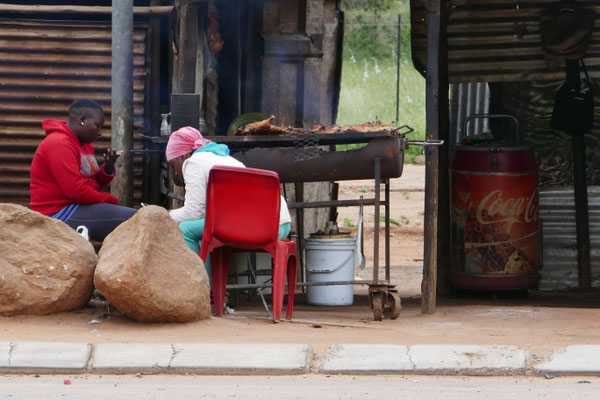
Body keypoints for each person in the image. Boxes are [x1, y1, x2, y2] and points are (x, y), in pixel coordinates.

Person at [166, 126, 292, 277]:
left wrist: (165, 215)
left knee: (186, 229)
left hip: (257, 227)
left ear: (182, 156)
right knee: (203, 232)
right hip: (280, 225)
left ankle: (199, 291)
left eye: (174, 165)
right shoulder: (225, 158)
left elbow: (193, 212)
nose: (176, 173)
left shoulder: (194, 163)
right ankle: (211, 294)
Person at [29, 98, 136, 241]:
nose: (100, 132)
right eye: (97, 126)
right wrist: (109, 200)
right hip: (56, 213)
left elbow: (90, 184)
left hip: (73, 206)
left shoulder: (84, 144)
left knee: (134, 219)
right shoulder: (59, 143)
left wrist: (108, 168)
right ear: (82, 120)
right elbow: (76, 192)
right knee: (135, 220)